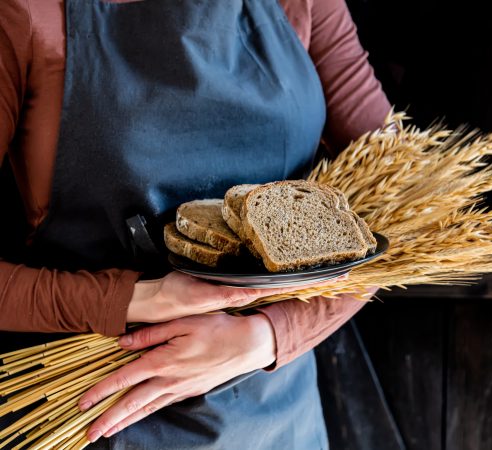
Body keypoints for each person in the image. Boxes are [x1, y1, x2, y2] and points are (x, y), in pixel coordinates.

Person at [0, 0, 391, 448]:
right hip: (93, 416)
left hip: (279, 424)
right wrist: (136, 299)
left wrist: (267, 336)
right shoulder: (26, 13)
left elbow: (408, 201)